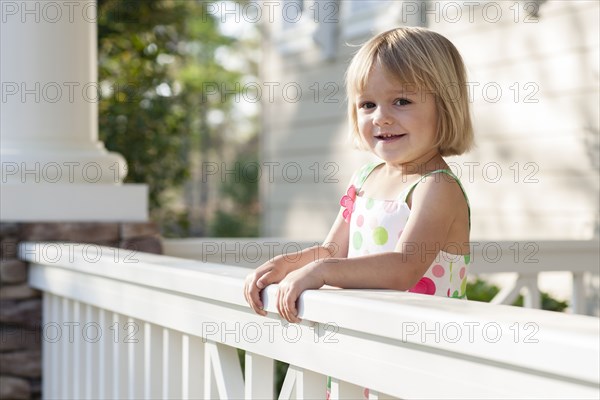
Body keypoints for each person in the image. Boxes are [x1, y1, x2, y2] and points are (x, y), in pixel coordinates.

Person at [244, 27, 474, 325]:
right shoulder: (365, 177)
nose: (381, 117)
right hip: (367, 334)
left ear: (444, 106)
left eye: (401, 101)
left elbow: (403, 268)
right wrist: (284, 265)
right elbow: (332, 250)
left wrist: (323, 270)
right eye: (368, 104)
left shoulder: (435, 186)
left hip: (419, 346)